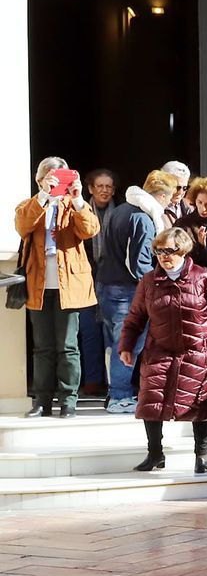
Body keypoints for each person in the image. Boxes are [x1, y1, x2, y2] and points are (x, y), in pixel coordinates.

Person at [119, 228, 207, 474]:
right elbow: (135, 317)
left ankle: (201, 455)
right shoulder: (149, 281)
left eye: (169, 251)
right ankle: (155, 454)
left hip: (197, 352)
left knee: (199, 405)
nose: (163, 256)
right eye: (159, 251)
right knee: (150, 401)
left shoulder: (204, 278)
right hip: (158, 350)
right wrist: (126, 345)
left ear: (182, 250)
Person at [16, 158, 100, 419]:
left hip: (69, 285)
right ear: (39, 180)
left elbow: (90, 230)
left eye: (59, 177)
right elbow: (22, 226)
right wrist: (43, 196)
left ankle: (68, 400)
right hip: (38, 284)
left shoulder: (73, 204)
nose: (54, 182)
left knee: (67, 346)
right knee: (42, 347)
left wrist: (77, 199)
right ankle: (41, 401)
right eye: (49, 177)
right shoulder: (30, 205)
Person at [97, 182, 171, 414]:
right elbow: (138, 263)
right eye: (168, 200)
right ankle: (120, 396)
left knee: (114, 342)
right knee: (128, 343)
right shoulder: (142, 218)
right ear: (161, 196)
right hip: (126, 290)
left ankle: (115, 393)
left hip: (106, 284)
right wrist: (152, 288)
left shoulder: (120, 209)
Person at [77, 168, 119, 398]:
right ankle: (92, 381)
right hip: (85, 279)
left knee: (113, 332)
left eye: (109, 186)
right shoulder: (78, 210)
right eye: (99, 186)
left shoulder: (122, 212)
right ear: (90, 189)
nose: (104, 190)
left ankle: (113, 382)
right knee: (89, 330)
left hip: (113, 278)